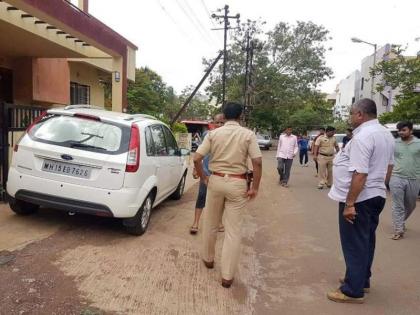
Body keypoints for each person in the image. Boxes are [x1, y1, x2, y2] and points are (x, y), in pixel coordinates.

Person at [327, 98, 395, 304]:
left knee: (354, 242)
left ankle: (352, 290)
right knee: (366, 239)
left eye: (351, 113)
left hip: (360, 198)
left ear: (360, 115)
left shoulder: (363, 137)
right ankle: (360, 279)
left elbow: (360, 173)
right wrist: (379, 187)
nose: (349, 117)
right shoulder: (385, 134)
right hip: (375, 195)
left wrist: (350, 204)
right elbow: (389, 167)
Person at [193, 102, 262, 288]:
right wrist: (255, 187)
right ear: (240, 116)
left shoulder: (213, 134)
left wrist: (203, 176)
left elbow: (197, 158)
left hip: (215, 181)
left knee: (210, 223)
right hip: (238, 183)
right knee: (233, 231)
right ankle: (227, 276)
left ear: (223, 115)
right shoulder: (248, 135)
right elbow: (257, 162)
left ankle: (208, 259)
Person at [190, 114, 225, 235]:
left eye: (222, 123)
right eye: (217, 122)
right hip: (206, 173)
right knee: (201, 197)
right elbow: (200, 153)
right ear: (213, 123)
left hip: (220, 174)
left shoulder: (228, 137)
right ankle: (196, 222)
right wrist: (196, 170)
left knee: (220, 200)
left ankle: (219, 221)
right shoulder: (207, 135)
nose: (219, 125)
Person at [388, 121, 420, 240]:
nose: (400, 132)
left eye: (404, 130)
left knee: (411, 205)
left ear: (411, 130)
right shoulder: (394, 143)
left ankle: (400, 222)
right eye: (399, 130)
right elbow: (389, 160)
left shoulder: (418, 143)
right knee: (398, 205)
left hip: (414, 178)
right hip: (396, 177)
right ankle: (398, 229)